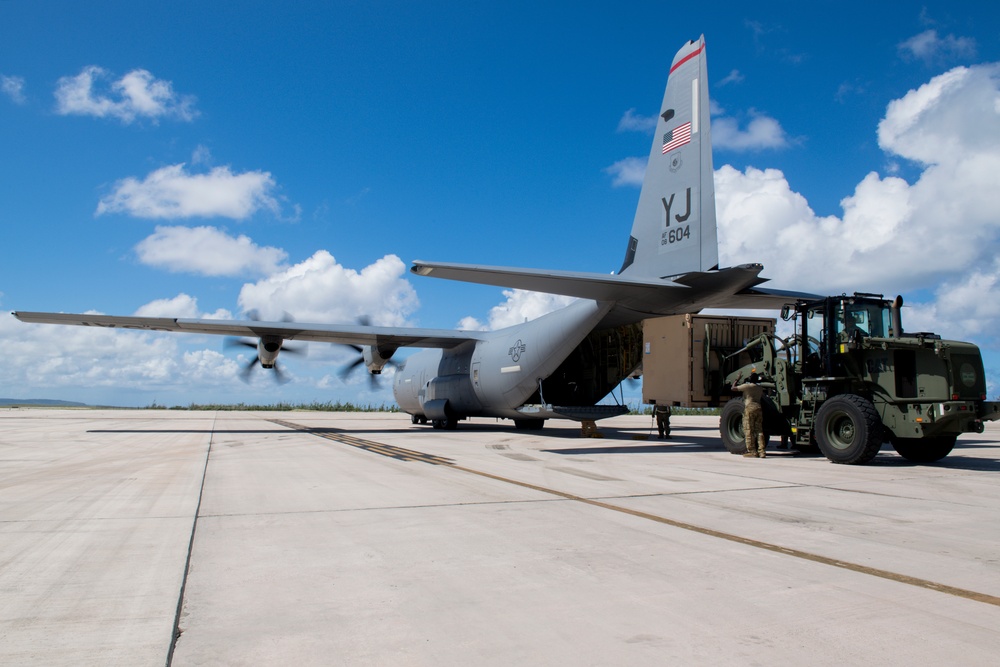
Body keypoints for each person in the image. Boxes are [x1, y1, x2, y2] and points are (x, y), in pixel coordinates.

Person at [732, 373, 766, 458]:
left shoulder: (747, 386)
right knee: (759, 431)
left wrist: (737, 379)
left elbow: (733, 388)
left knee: (749, 430)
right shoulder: (759, 388)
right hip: (758, 408)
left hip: (750, 408)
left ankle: (752, 451)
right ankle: (762, 451)